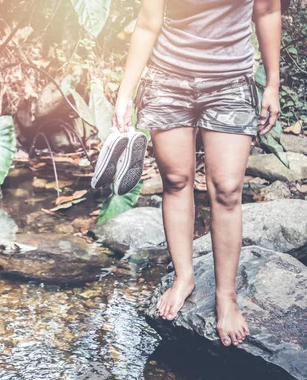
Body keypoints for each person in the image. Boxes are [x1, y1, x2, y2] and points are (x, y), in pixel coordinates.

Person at [112, 0, 281, 347]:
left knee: (228, 191)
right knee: (176, 182)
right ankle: (184, 277)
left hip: (231, 84)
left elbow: (267, 11)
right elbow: (147, 24)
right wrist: (125, 92)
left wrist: (273, 84)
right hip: (167, 81)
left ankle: (226, 297)